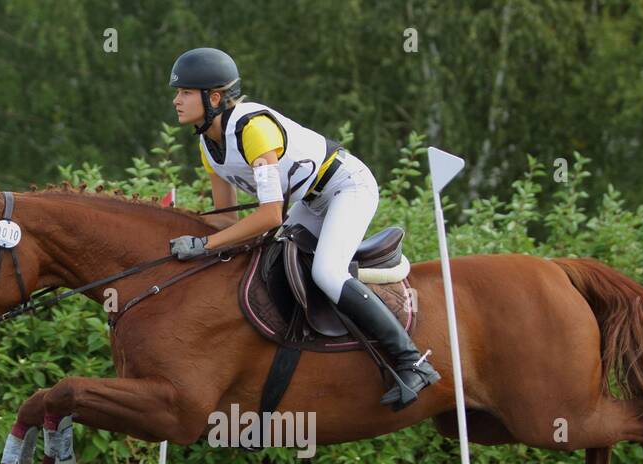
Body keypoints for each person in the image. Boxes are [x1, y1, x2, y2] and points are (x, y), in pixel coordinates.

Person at [167, 47, 440, 409]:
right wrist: (176, 234)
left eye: (185, 92)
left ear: (213, 97)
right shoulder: (208, 145)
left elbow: (268, 217)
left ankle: (412, 362)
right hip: (311, 201)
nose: (176, 101)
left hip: (347, 187)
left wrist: (204, 244)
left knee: (327, 272)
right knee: (266, 262)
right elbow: (226, 219)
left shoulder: (253, 130)